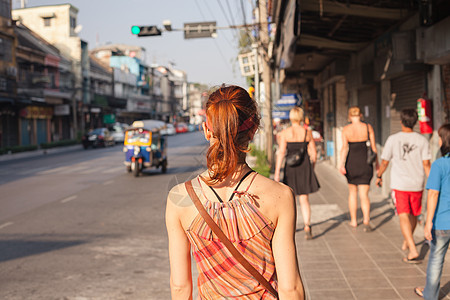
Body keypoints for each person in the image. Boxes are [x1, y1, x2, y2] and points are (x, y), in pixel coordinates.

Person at [166, 85, 305, 299]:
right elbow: (290, 288)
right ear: (253, 129)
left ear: (206, 130)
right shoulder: (280, 195)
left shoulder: (180, 197)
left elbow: (180, 287)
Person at [376, 108, 431, 263]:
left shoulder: (393, 139)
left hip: (400, 184)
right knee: (412, 214)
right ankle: (411, 244)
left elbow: (385, 161)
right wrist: (434, 182)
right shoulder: (422, 140)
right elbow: (426, 164)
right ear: (415, 123)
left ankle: (411, 244)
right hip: (417, 183)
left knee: (404, 215)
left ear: (401, 121)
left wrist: (379, 175)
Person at [414, 124, 450, 299]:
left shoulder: (439, 165)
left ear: (444, 141)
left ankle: (430, 295)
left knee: (436, 259)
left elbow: (433, 194)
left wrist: (428, 222)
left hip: (442, 222)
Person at [274, 107, 320, 240]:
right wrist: (312, 168)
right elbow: (314, 154)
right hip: (305, 167)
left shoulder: (285, 133)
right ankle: (307, 226)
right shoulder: (307, 132)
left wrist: (277, 172)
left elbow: (281, 153)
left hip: (290, 168)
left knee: (291, 199)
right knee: (304, 199)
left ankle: (291, 227)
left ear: (291, 117)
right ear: (301, 117)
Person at [339, 107, 378, 232]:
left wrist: (341, 164)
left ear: (350, 116)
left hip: (352, 163)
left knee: (352, 193)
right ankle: (366, 220)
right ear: (360, 115)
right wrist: (377, 165)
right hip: (365, 163)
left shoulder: (346, 129)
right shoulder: (367, 127)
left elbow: (344, 148)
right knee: (364, 195)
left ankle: (354, 220)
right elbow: (373, 148)